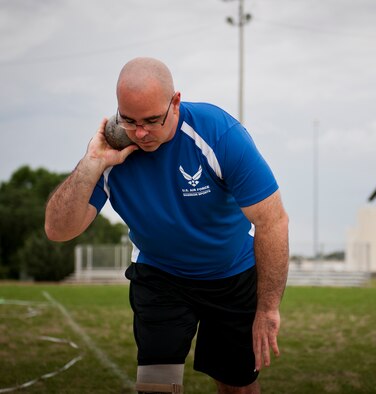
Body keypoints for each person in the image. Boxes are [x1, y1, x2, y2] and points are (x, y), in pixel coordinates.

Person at [45, 57, 289, 394]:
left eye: (151, 120)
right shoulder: (111, 152)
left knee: (237, 385)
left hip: (232, 275)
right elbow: (58, 231)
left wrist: (268, 308)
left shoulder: (218, 134)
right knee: (156, 384)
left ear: (175, 102)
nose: (141, 133)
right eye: (129, 120)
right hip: (161, 277)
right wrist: (91, 165)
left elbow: (272, 221)